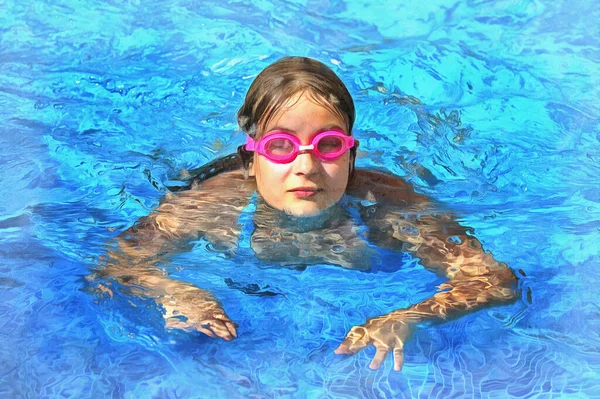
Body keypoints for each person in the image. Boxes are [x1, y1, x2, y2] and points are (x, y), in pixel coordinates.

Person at [93, 56, 518, 371]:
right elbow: (113, 266)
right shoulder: (208, 203)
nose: (306, 165)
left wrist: (410, 317)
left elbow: (494, 280)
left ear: (351, 154)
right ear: (252, 157)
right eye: (280, 145)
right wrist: (172, 291)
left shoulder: (389, 204)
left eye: (328, 145)